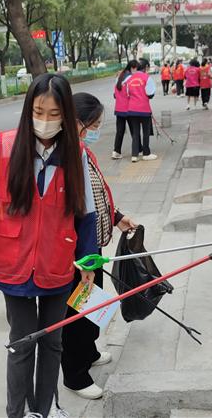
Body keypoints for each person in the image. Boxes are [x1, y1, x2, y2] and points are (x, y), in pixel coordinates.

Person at [0, 73, 98, 418]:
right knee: (22, 341)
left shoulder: (76, 153)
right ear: (28, 110)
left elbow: (85, 212)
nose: (45, 120)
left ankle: (45, 409)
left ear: (66, 115)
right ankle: (17, 413)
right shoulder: (3, 146)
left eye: (54, 114)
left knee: (52, 341)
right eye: (38, 112)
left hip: (58, 261)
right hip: (14, 261)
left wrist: (88, 261)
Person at [61, 92, 138, 400]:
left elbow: (96, 196)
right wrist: (81, 257)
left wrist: (116, 217)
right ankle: (75, 375)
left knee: (92, 307)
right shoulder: (66, 157)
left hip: (92, 248)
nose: (95, 131)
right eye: (92, 125)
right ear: (75, 122)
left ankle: (89, 352)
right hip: (76, 254)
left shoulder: (84, 151)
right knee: (75, 315)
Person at [125, 58, 158, 163]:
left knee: (135, 132)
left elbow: (127, 94)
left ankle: (134, 155)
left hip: (132, 109)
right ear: (146, 67)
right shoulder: (147, 78)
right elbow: (150, 93)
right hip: (144, 109)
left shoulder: (129, 79)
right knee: (145, 132)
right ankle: (146, 153)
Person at [112, 60, 138, 160]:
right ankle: (138, 149)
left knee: (120, 131)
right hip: (129, 109)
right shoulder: (131, 78)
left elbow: (115, 95)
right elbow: (132, 94)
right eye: (136, 69)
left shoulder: (119, 77)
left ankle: (116, 151)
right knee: (134, 130)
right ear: (133, 68)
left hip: (119, 109)